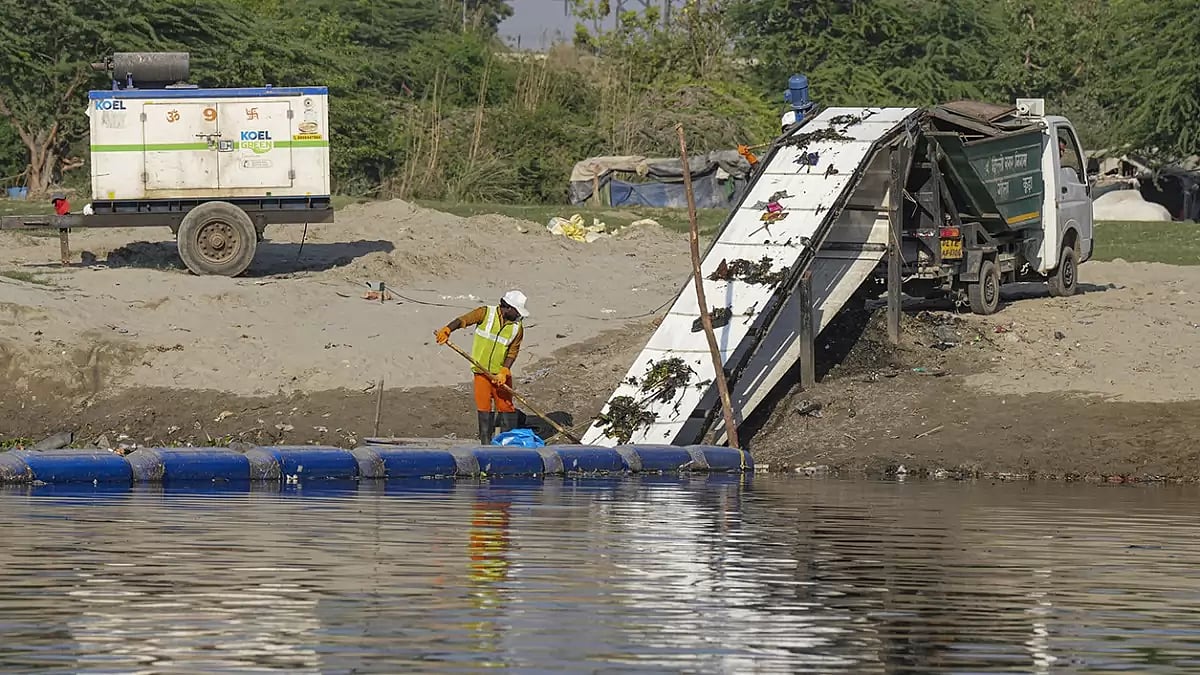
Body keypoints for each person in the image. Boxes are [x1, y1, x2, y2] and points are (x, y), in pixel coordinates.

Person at [435, 290, 529, 444]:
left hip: (500, 375)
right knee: (484, 407)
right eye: (517, 311)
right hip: (481, 372)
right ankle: (486, 444)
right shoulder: (486, 313)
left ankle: (508, 444)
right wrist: (448, 329)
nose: (519, 315)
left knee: (506, 407)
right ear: (508, 307)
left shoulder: (517, 327)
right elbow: (463, 320)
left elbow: (513, 351)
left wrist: (505, 371)